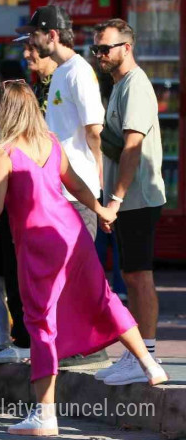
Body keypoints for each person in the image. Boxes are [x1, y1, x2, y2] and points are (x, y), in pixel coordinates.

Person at [0, 80, 166, 436]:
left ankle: (45, 416)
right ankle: (149, 364)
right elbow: (76, 185)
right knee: (102, 297)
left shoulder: (4, 150)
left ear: (5, 110)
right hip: (71, 231)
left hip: (37, 242)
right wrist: (102, 211)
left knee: (41, 322)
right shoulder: (50, 141)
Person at [93, 18, 169, 385]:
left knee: (139, 276)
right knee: (131, 274)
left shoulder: (135, 86)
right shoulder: (119, 85)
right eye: (96, 49)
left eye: (105, 48)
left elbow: (132, 149)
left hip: (136, 198)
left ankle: (146, 357)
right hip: (126, 199)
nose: (100, 55)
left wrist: (117, 199)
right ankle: (138, 354)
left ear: (127, 47)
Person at [21, 5, 105, 240]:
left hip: (78, 194)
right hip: (57, 190)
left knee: (78, 268)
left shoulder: (79, 71)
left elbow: (95, 130)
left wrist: (99, 173)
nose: (31, 42)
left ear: (52, 35)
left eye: (34, 34)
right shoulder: (60, 71)